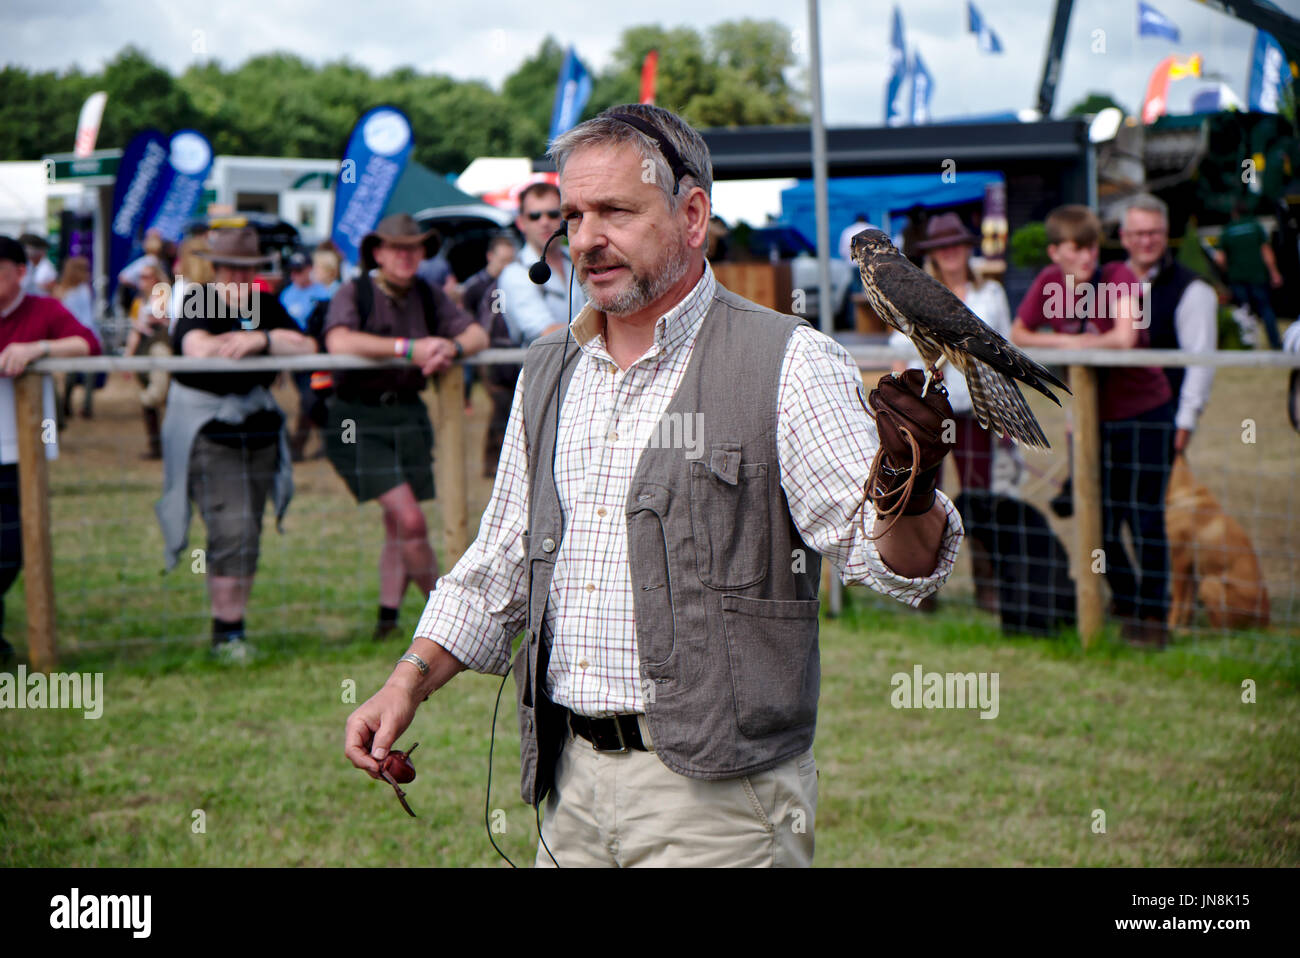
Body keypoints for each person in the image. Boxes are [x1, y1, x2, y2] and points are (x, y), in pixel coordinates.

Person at [344, 104, 963, 868]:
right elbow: (500, 561)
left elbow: (888, 563)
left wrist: (911, 488)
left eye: (615, 211)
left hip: (721, 806)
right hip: (566, 786)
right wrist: (408, 680)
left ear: (693, 214)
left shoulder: (789, 361)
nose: (585, 239)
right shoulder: (547, 369)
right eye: (572, 215)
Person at [1011, 204, 1174, 648]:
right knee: (1098, 520)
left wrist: (1079, 342)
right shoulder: (1049, 283)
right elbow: (1019, 332)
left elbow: (1123, 338)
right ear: (1055, 252)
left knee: (1144, 518)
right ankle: (1128, 602)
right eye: (1076, 248)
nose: (1087, 256)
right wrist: (1069, 341)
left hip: (1144, 411)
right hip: (1093, 421)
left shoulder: (1117, 276)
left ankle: (1155, 618)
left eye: (1092, 246)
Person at [322, 213, 488, 641]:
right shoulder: (353, 291)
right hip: (357, 418)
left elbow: (476, 335)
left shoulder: (428, 294)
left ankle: (388, 619)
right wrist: (408, 348)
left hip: (409, 414)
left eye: (414, 247)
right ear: (377, 253)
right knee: (412, 522)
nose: (407, 255)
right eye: (398, 247)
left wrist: (447, 347)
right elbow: (338, 342)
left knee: (398, 525)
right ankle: (449, 619)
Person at [154, 227, 317, 662]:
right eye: (231, 268)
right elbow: (197, 348)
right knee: (234, 528)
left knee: (250, 531)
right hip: (210, 432)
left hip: (259, 431)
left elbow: (304, 345)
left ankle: (234, 628)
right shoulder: (198, 300)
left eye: (247, 268)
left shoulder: (265, 304)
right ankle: (226, 634)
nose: (239, 276)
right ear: (217, 267)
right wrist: (257, 347)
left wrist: (259, 339)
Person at [889, 212, 1010, 614]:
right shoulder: (918, 292)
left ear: (967, 247)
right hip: (932, 415)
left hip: (977, 412)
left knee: (980, 496)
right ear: (933, 254)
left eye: (956, 244)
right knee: (925, 498)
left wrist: (1005, 414)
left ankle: (987, 584)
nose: (951, 252)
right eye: (942, 246)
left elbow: (1003, 350)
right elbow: (899, 348)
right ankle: (925, 587)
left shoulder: (990, 294)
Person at [0, 235, 100, 664]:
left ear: (21, 273)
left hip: (20, 453)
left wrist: (38, 348)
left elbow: (88, 344)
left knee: (11, 548)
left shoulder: (42, 310)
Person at [1120, 193, 1218, 453]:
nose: (1146, 241)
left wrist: (1184, 425)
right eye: (1139, 233)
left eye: (1154, 233)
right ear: (1124, 237)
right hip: (1111, 419)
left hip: (1162, 419)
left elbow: (1200, 362)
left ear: (1166, 234)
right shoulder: (1107, 282)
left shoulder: (1192, 289)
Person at [495, 182, 586, 346]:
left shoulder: (580, 258)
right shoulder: (514, 273)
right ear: (521, 223)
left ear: (564, 218)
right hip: (542, 369)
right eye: (534, 216)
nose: (544, 222)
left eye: (552, 214)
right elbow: (545, 332)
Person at [459, 233, 518, 478]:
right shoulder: (477, 285)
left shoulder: (517, 283)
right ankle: (492, 463)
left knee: (512, 410)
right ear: (490, 257)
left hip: (512, 352)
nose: (506, 266)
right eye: (502, 260)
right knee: (501, 408)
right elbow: (465, 315)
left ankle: (504, 464)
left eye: (510, 261)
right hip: (489, 354)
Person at [280, 252, 332, 461]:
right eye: (292, 271)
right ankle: (319, 443)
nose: (295, 275)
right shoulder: (286, 296)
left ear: (309, 269)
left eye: (299, 271)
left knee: (312, 399)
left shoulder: (323, 294)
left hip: (318, 355)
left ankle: (299, 446)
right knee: (309, 399)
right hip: (295, 357)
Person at [1215, 203, 1284, 349]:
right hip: (1258, 276)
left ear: (1234, 213)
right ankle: (1275, 343)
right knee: (1266, 309)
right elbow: (1266, 252)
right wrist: (1274, 272)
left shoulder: (1228, 230)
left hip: (1237, 277)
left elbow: (1219, 258)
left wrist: (1227, 271)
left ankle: (1247, 344)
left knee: (1243, 312)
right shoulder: (1256, 226)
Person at [122, 257, 173, 459]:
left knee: (157, 397)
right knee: (149, 402)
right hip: (144, 351)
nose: (142, 280)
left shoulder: (166, 295)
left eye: (147, 276)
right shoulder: (138, 302)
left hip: (161, 348)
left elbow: (173, 322)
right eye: (140, 276)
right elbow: (134, 331)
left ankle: (169, 444)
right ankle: (156, 446)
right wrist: (128, 358)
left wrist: (160, 319)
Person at [54, 256, 102, 420]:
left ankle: (66, 405)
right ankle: (86, 407)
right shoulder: (83, 289)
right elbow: (88, 317)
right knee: (88, 375)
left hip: (70, 337)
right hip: (85, 335)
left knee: (70, 374)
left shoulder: (63, 291)